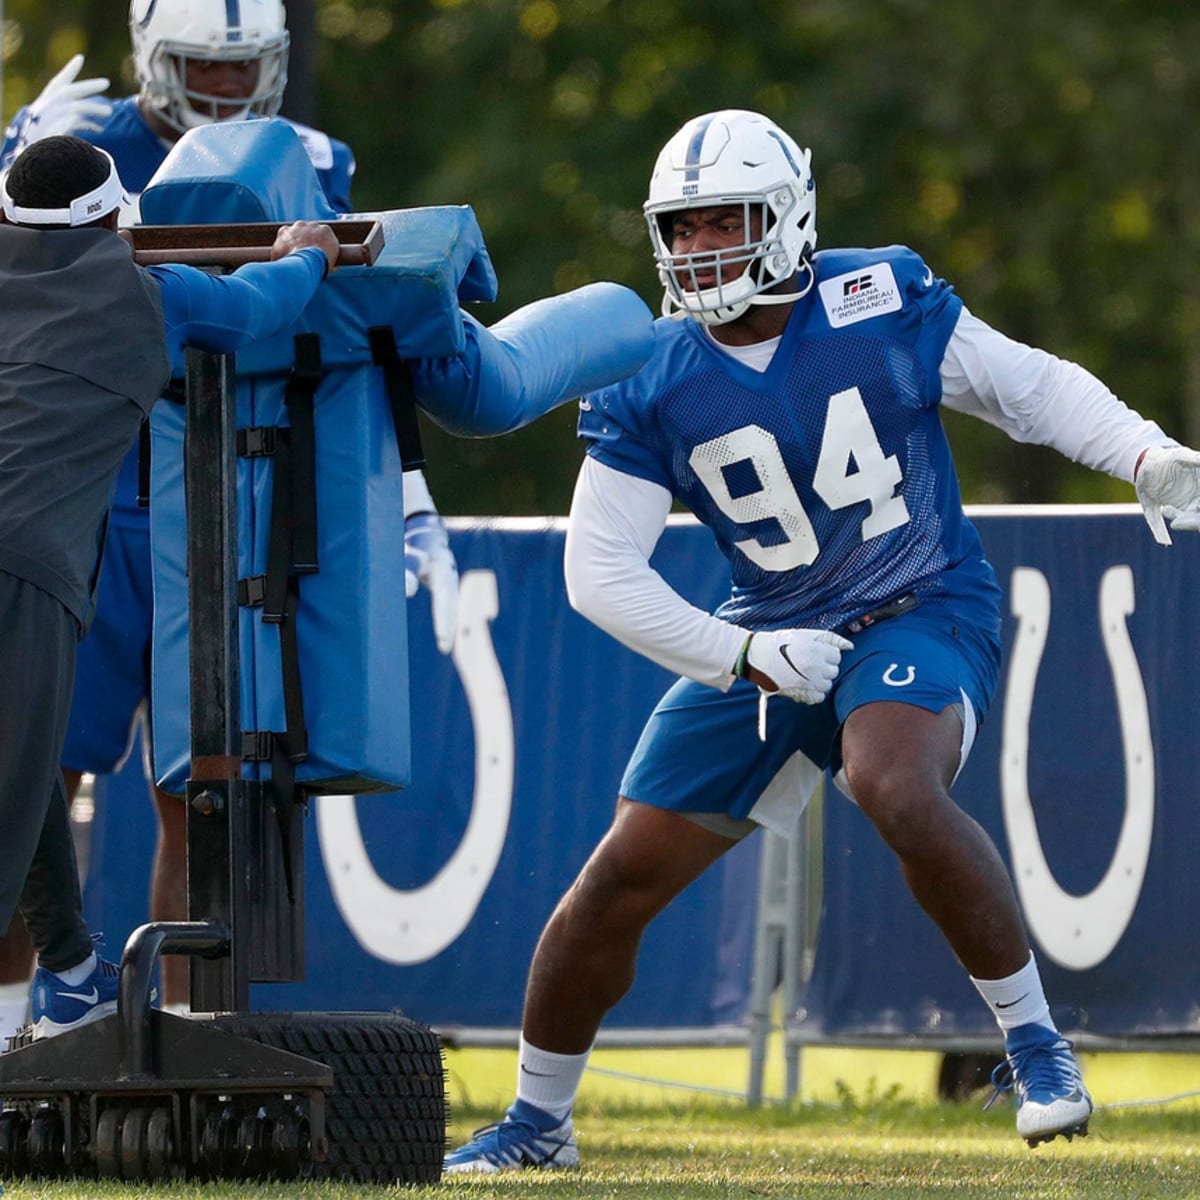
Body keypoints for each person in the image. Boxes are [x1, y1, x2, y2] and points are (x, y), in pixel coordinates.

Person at [444, 108, 1200, 1172]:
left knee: (889, 777)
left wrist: (1141, 450)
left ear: (789, 220)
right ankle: (538, 1123)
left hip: (918, 598)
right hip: (768, 634)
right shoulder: (648, 370)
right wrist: (741, 655)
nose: (703, 250)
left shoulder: (875, 298)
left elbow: (1024, 388)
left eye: (727, 223)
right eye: (686, 228)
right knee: (615, 883)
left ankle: (1035, 1047)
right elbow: (596, 573)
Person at [0, 0, 458, 1034]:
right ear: (151, 57)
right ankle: (31, 1016)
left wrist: (406, 482)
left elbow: (360, 334)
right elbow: (259, 305)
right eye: (199, 64)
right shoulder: (94, 176)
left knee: (202, 792)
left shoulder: (307, 157)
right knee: (32, 775)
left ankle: (176, 1026)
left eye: (237, 65)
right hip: (86, 512)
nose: (219, 88)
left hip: (210, 498)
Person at [0, 133, 341, 1040]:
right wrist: (305, 250)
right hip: (22, 567)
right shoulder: (141, 293)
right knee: (11, 794)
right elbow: (254, 306)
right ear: (117, 218)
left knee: (28, 778)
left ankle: (70, 969)